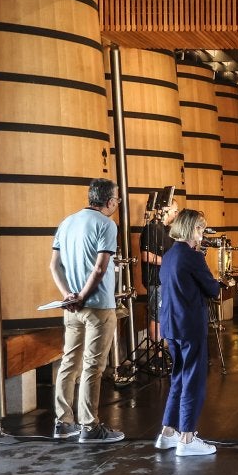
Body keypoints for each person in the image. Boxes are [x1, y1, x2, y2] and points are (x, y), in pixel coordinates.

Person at [49, 178, 125, 444]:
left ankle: (63, 422)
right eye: (117, 198)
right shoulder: (107, 224)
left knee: (69, 363)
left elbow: (54, 266)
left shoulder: (67, 222)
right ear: (109, 201)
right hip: (98, 306)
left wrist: (68, 296)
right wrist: (82, 295)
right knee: (93, 366)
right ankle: (90, 427)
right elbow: (100, 268)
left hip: (71, 307)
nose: (117, 203)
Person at [154, 209, 226, 457]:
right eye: (200, 228)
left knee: (178, 376)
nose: (202, 233)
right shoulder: (192, 256)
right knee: (193, 379)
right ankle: (187, 437)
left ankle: (167, 432)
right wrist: (219, 282)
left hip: (171, 325)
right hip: (189, 325)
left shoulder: (170, 255)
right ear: (192, 229)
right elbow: (212, 289)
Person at [140, 195, 179, 344]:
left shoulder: (166, 231)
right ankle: (158, 355)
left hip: (165, 279)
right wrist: (168, 262)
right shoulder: (151, 229)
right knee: (157, 316)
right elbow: (146, 256)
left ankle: (164, 350)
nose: (176, 214)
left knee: (164, 315)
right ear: (166, 210)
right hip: (155, 280)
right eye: (174, 211)